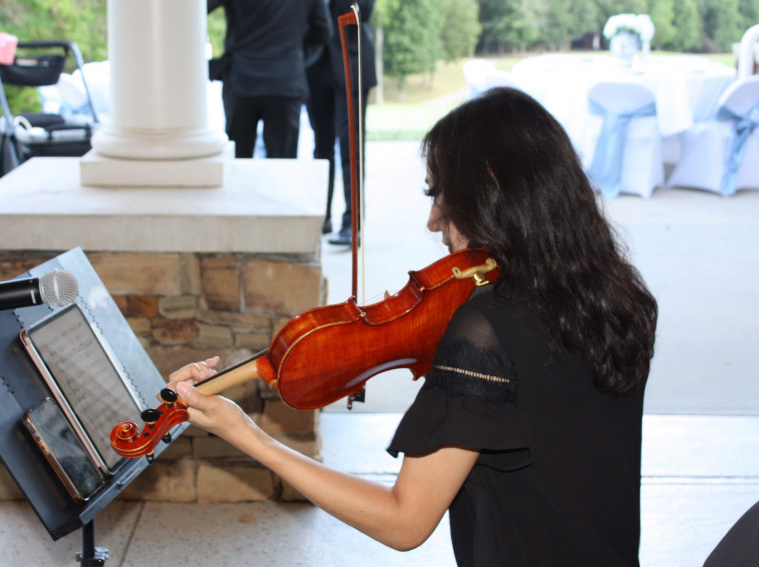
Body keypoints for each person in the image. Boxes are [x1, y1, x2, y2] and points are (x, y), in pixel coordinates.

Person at [167, 88, 658, 566]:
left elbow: (405, 522)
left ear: (488, 187)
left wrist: (250, 436)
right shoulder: (619, 297)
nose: (433, 220)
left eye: (440, 194)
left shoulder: (485, 329)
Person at [208, 0, 331, 159]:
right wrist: (296, 57)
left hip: (243, 78)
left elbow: (194, 11)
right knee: (283, 164)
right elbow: (322, 32)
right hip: (285, 80)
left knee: (238, 163)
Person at [305, 0, 377, 242]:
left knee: (351, 146)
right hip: (315, 64)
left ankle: (353, 223)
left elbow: (363, 11)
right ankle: (321, 217)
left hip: (352, 61)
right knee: (321, 146)